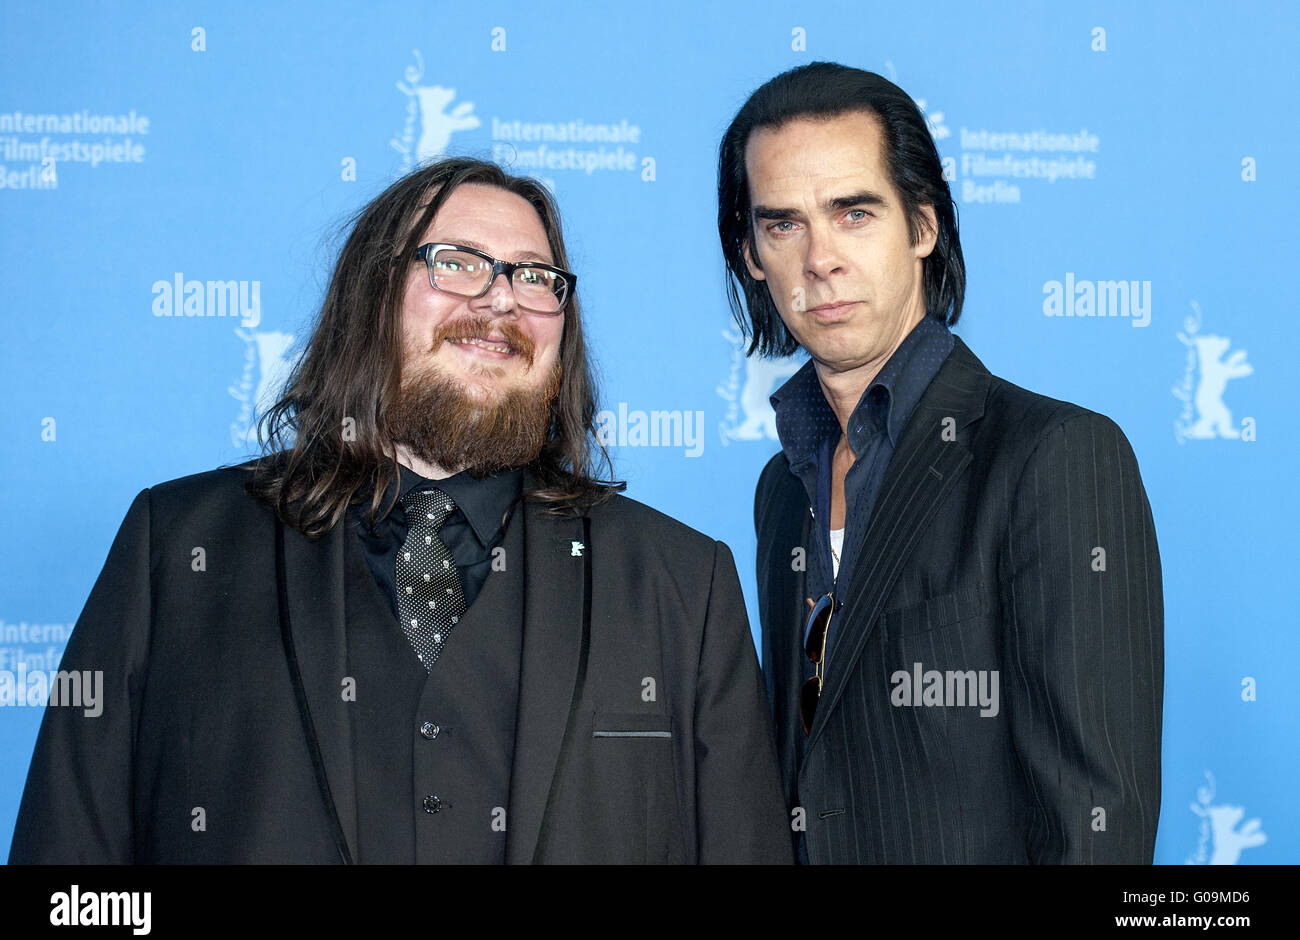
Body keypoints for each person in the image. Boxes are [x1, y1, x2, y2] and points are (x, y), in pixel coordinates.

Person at [10, 157, 791, 864]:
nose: (499, 299)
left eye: (534, 277)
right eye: (455, 263)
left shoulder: (683, 584)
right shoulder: (174, 548)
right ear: (370, 295)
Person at [718, 62, 1163, 864]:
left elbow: (1097, 821)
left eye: (854, 213)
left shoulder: (1053, 456)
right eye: (783, 224)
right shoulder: (781, 490)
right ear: (751, 252)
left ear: (922, 226)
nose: (819, 258)